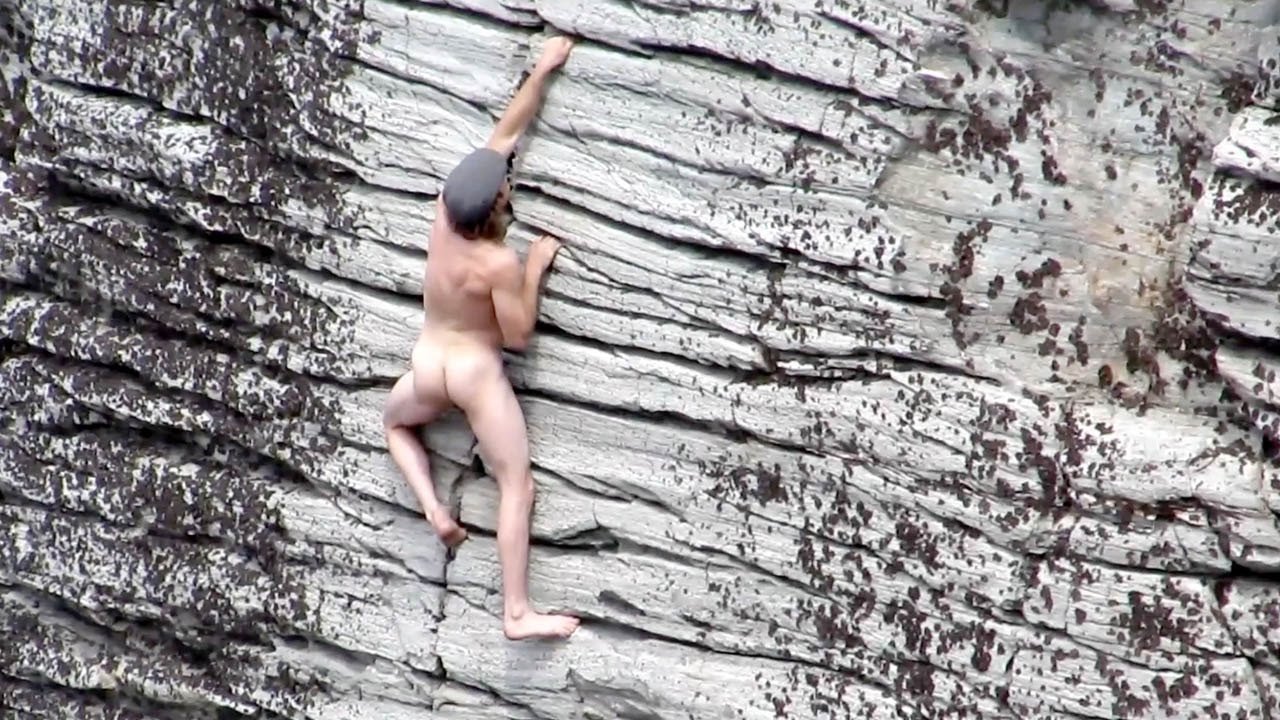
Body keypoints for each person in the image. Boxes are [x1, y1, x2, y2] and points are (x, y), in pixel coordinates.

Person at [382, 36, 579, 641]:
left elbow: (502, 137)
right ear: (495, 208)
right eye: (504, 190)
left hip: (428, 363)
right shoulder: (496, 262)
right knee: (517, 485)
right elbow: (517, 335)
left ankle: (434, 508)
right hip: (473, 374)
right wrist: (534, 270)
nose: (508, 183)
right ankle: (516, 613)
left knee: (394, 424)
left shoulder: (444, 211)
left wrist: (541, 72)